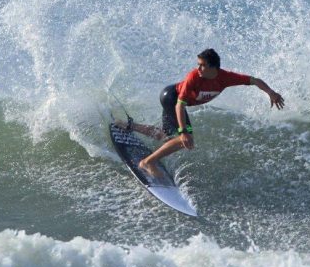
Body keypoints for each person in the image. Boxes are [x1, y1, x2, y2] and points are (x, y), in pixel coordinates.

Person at [120, 48, 285, 177]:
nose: (198, 67)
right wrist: (184, 132)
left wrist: (271, 92)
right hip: (171, 98)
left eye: (202, 65)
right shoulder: (194, 77)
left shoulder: (226, 77)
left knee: (166, 136)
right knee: (183, 139)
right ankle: (148, 162)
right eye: (198, 64)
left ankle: (130, 126)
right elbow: (179, 105)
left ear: (213, 67)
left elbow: (254, 80)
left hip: (174, 100)